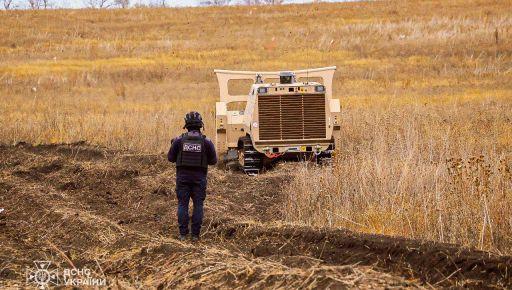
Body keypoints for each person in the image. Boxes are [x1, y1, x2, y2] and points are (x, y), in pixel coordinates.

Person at [168, 111, 217, 242]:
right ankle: (195, 235)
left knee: (182, 205)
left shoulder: (179, 140)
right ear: (201, 125)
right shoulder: (207, 142)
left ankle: (183, 235)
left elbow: (170, 158)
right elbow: (213, 161)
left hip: (182, 178)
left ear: (186, 125)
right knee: (198, 205)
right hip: (199, 179)